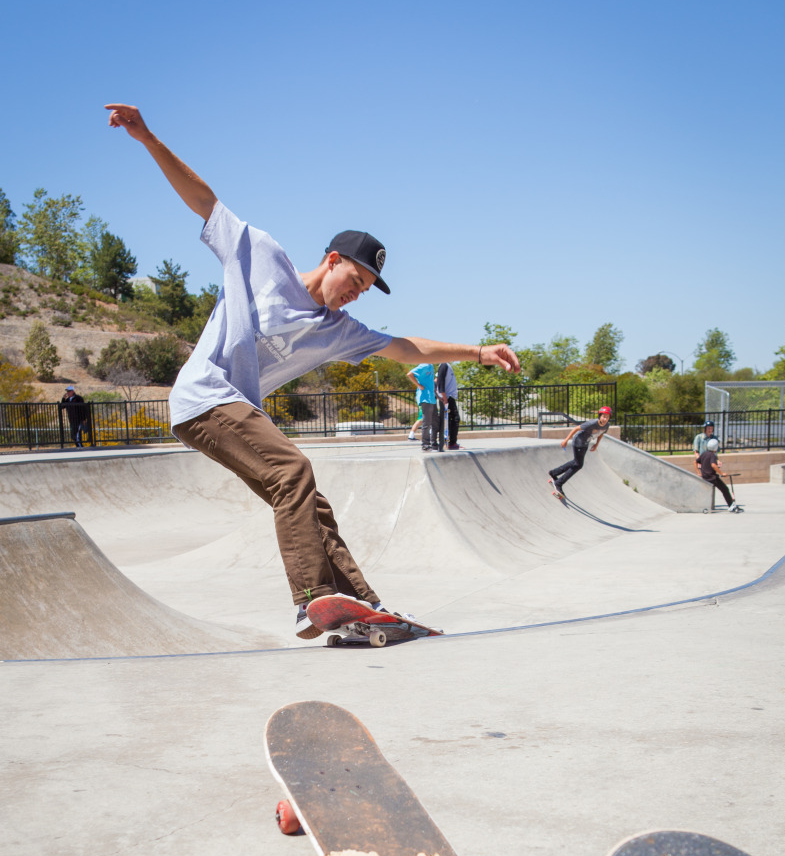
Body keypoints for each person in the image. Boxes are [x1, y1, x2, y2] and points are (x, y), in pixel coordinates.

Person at [105, 103, 520, 638]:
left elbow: (403, 348)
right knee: (293, 471)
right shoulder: (260, 256)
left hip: (231, 412)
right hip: (203, 398)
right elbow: (204, 202)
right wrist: (148, 138)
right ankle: (311, 598)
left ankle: (364, 606)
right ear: (331, 260)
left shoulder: (338, 329)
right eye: (354, 279)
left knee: (310, 505)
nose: (354, 295)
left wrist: (477, 352)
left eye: (364, 291)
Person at [548, 406, 612, 497]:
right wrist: (566, 440)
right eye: (604, 416)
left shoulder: (607, 425)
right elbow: (576, 429)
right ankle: (558, 483)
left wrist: (596, 444)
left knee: (576, 462)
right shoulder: (592, 423)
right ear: (600, 416)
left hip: (585, 443)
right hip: (578, 441)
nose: (605, 419)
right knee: (578, 464)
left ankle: (554, 473)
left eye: (607, 417)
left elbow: (601, 433)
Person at [697, 438, 738, 511]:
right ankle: (731, 506)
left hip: (705, 477)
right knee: (725, 489)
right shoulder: (713, 455)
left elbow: (695, 462)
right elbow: (713, 465)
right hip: (712, 478)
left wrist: (698, 472)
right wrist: (722, 473)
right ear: (715, 447)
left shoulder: (704, 454)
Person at [406, 363, 438, 451]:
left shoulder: (431, 366)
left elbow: (430, 382)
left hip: (432, 398)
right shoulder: (424, 365)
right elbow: (410, 374)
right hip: (425, 398)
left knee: (435, 422)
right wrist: (418, 385)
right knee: (426, 422)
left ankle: (433, 442)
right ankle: (425, 444)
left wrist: (436, 395)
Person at [435, 361, 461, 450]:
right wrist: (444, 397)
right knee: (454, 419)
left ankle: (450, 442)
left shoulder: (447, 365)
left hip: (449, 397)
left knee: (450, 420)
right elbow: (440, 382)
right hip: (447, 397)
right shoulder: (443, 364)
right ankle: (451, 443)